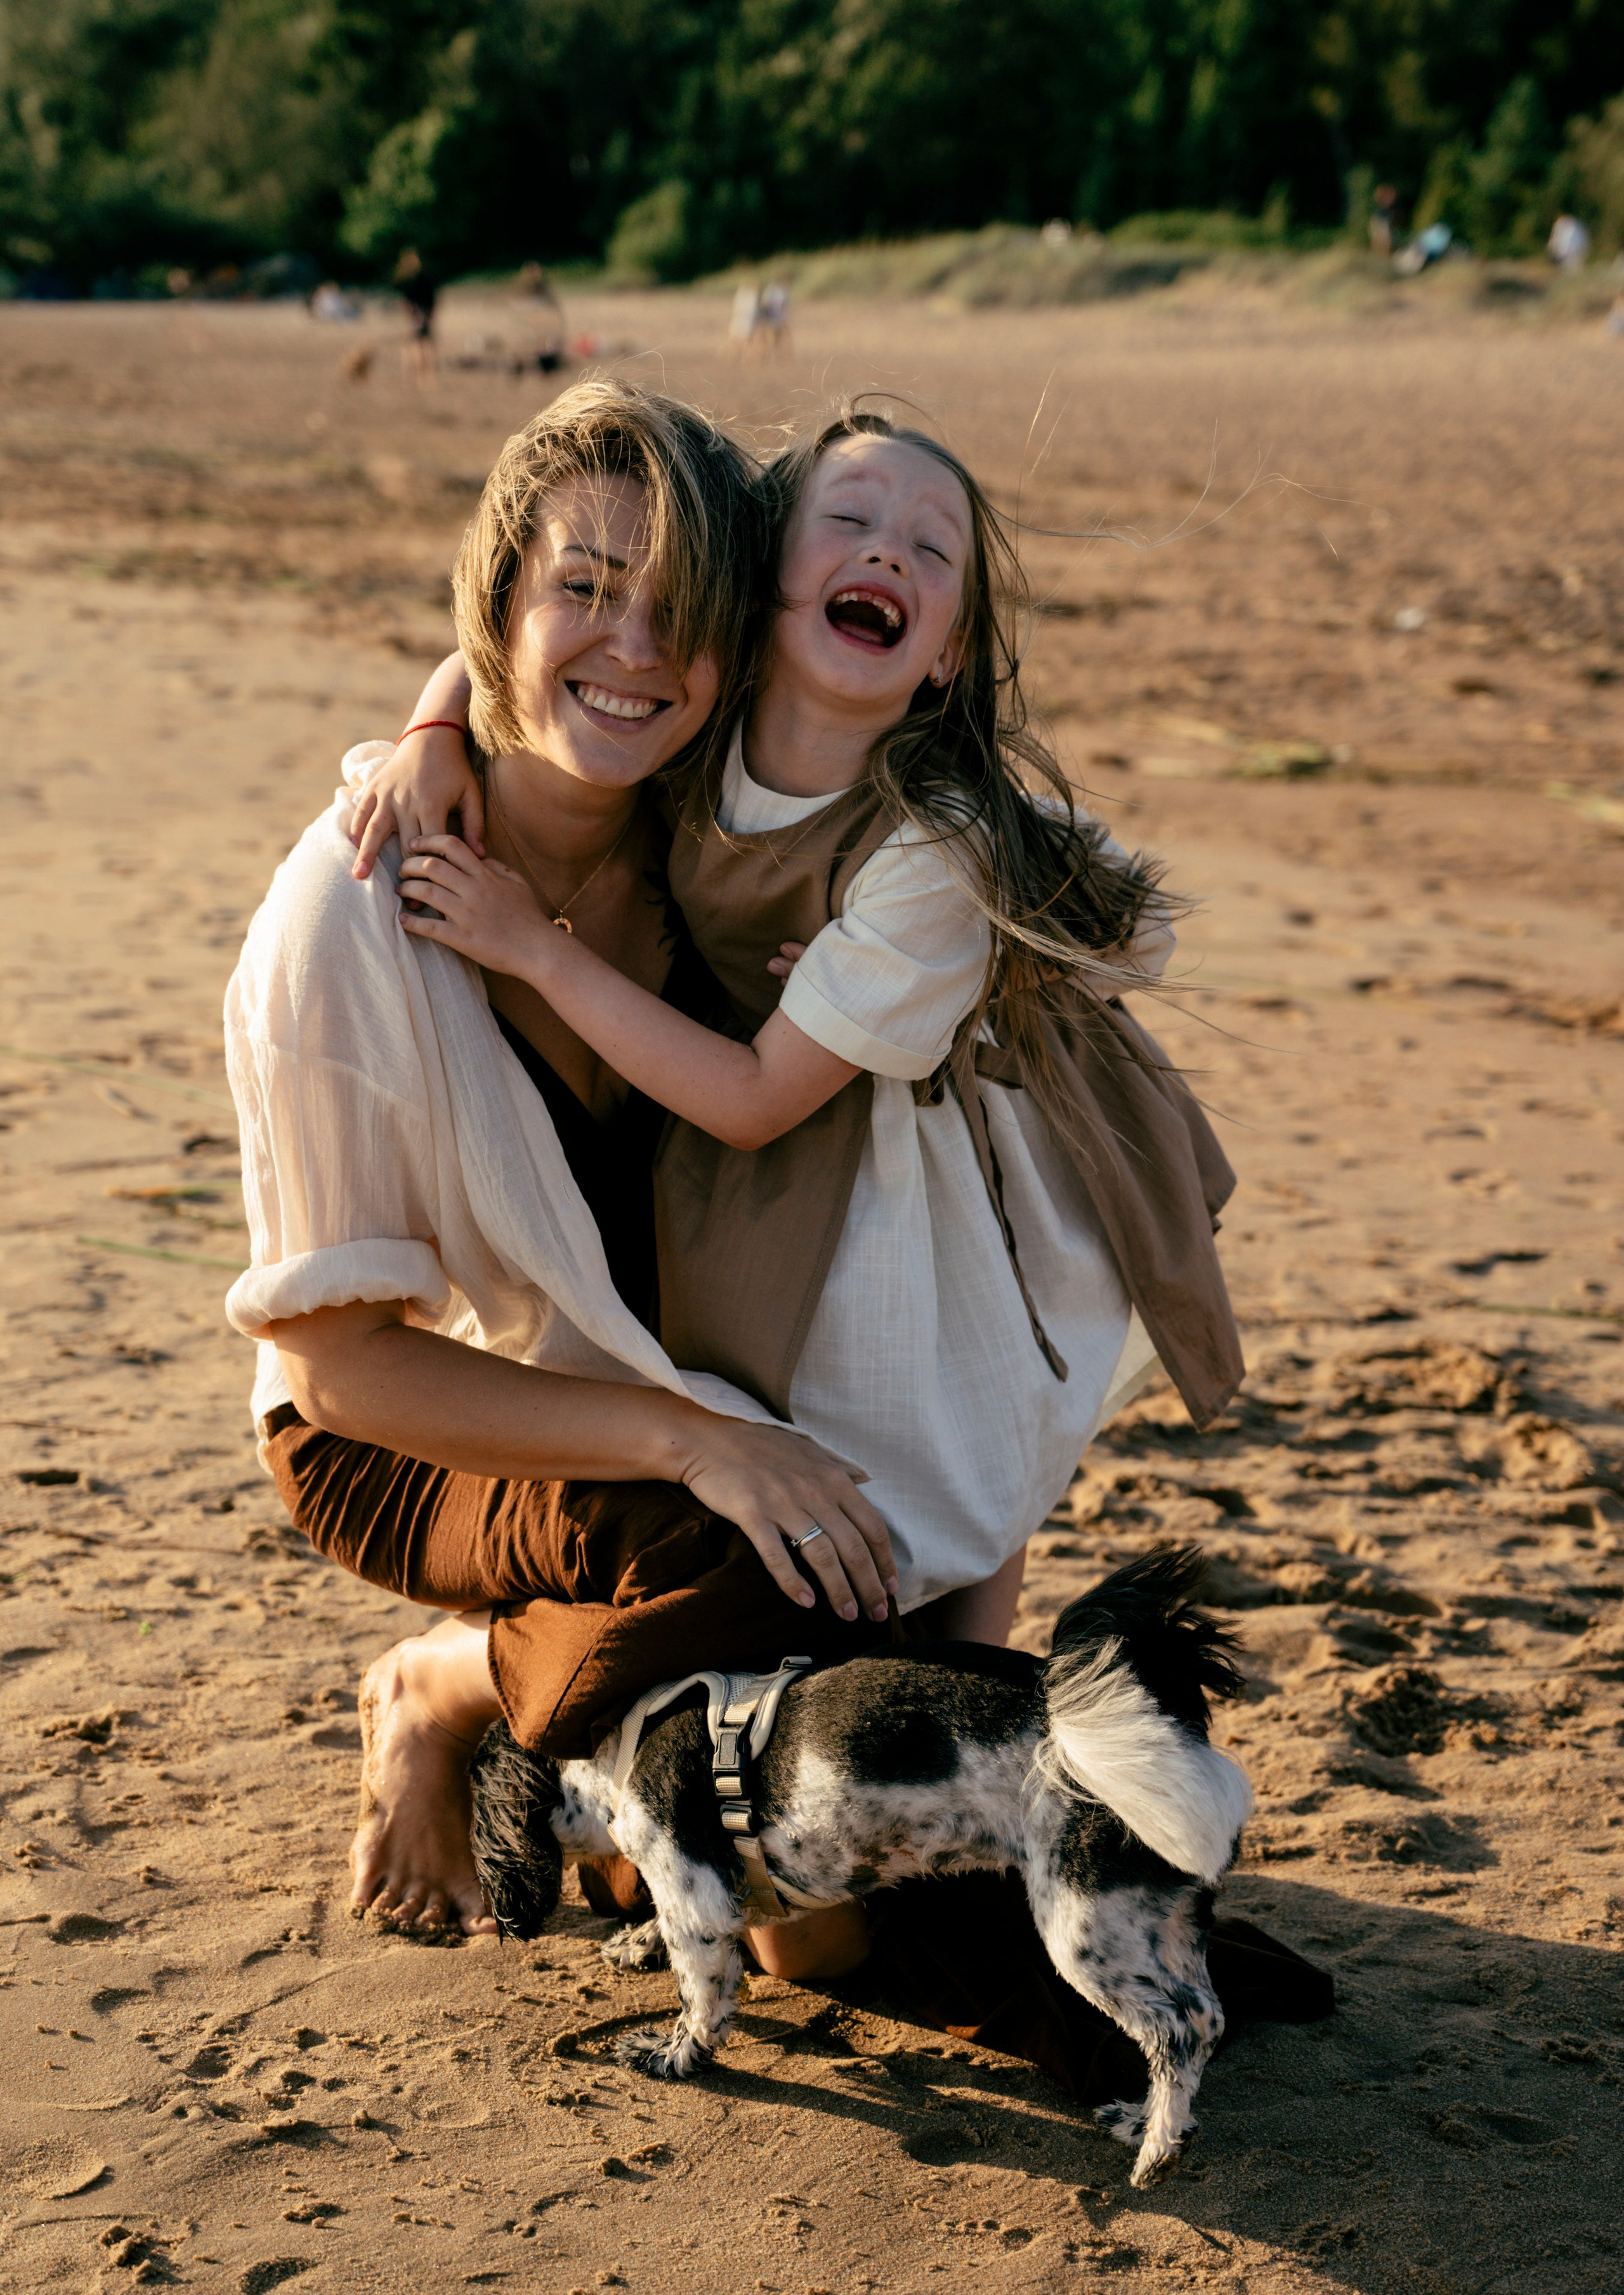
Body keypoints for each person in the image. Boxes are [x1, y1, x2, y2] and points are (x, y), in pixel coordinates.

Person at [360, 406, 1241, 1654]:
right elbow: (522, 631)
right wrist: (433, 723)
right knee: (806, 1430)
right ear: (749, 590)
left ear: (942, 655)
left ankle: (977, 1672)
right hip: (784, 1082)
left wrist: (530, 948)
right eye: (850, 521)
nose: (889, 553)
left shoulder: (934, 849)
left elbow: (752, 1100)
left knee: (957, 1420)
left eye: (933, 553)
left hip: (937, 1132)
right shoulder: (687, 710)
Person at [226, 381, 901, 1964]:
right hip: (401, 1421)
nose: (634, 649)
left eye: (681, 610)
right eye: (584, 590)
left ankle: (600, 1751)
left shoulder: (704, 820)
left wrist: (439, 706)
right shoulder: (345, 921)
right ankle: (442, 1683)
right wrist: (688, 1439)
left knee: (848, 1544)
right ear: (499, 601)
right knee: (734, 1536)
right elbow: (340, 1370)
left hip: (633, 1365)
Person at [395, 247, 440, 383]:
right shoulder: (425, 278)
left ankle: (416, 375)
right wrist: (431, 313)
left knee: (416, 344)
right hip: (424, 312)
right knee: (426, 344)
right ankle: (427, 374)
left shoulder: (406, 278)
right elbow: (433, 298)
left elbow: (404, 300)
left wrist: (409, 313)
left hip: (414, 313)